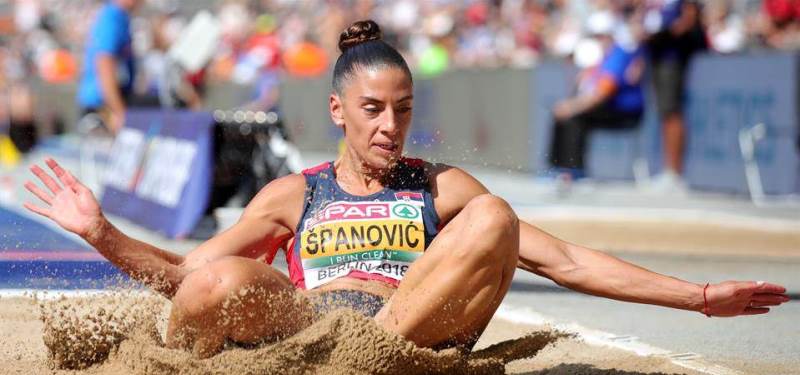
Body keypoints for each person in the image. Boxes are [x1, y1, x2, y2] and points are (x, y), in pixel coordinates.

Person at [24, 20, 789, 358]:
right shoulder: (298, 193)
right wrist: (102, 233)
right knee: (215, 281)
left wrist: (698, 295)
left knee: (494, 214)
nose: (390, 127)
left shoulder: (440, 186)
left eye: (403, 110)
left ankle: (371, 358)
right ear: (337, 112)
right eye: (372, 111)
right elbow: (192, 280)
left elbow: (567, 262)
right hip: (311, 328)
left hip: (404, 333)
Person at [549, 11, 645, 180]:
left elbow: (601, 94)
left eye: (600, 36)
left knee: (573, 116)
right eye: (594, 36)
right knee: (561, 116)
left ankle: (575, 171)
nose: (597, 40)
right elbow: (585, 89)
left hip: (624, 113)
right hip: (606, 108)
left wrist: (571, 107)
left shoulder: (618, 55)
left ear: (610, 36)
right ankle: (557, 168)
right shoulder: (600, 59)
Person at [643, 0, 707, 192]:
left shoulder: (680, 4)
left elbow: (687, 21)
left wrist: (659, 35)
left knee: (672, 114)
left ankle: (674, 173)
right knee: (666, 114)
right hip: (658, 57)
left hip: (672, 60)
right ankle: (668, 171)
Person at [76, 0, 141, 135]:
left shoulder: (119, 16)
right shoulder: (112, 18)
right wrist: (118, 111)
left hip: (106, 105)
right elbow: (104, 65)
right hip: (101, 109)